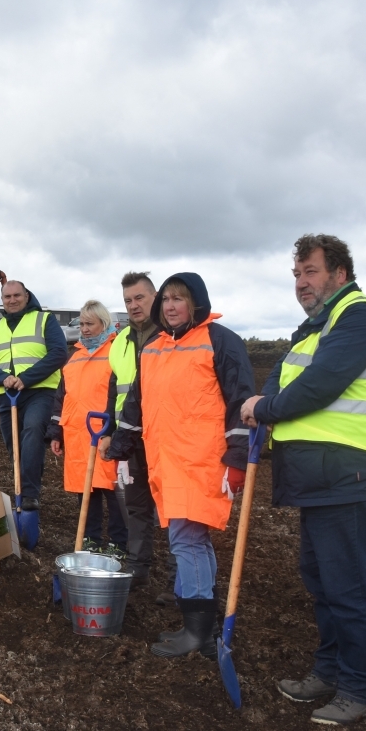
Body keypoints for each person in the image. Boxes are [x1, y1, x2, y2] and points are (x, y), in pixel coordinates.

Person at [240, 234, 366, 727]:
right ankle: (328, 671)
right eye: (296, 275)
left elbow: (319, 385)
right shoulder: (312, 327)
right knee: (322, 581)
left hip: (349, 473)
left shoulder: (361, 316)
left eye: (310, 271)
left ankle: (359, 688)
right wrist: (264, 401)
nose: (301, 283)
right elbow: (282, 378)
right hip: (320, 477)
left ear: (340, 274)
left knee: (348, 587)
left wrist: (263, 409)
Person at [108, 273, 255, 660]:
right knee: (194, 542)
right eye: (167, 300)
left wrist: (237, 459)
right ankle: (200, 629)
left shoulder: (220, 341)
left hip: (202, 461)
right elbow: (135, 404)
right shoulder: (154, 346)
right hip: (165, 461)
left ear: (196, 303)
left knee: (186, 541)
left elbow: (241, 401)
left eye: (179, 299)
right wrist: (122, 448)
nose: (171, 306)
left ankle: (197, 631)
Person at [0, 280, 69, 529]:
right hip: (6, 395)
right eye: (7, 297)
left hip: (39, 391)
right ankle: (25, 488)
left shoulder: (44, 320)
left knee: (33, 430)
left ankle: (29, 497)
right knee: (14, 445)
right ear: (2, 300)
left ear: (26, 296)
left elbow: (58, 353)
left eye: (17, 295)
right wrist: (3, 378)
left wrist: (25, 379)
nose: (12, 300)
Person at [48, 300, 126, 555]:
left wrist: (113, 431)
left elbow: (120, 394)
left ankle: (119, 542)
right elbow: (63, 398)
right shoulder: (75, 357)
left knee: (112, 491)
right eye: (81, 324)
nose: (85, 329)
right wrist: (57, 432)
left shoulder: (116, 353)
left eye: (90, 323)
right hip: (77, 435)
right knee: (85, 490)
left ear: (104, 324)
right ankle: (91, 538)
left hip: (104, 434)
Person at [102, 272, 163, 591]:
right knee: (136, 503)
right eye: (128, 300)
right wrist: (109, 431)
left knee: (171, 505)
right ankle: (138, 568)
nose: (134, 305)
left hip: (163, 432)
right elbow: (116, 388)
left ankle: (182, 577)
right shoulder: (122, 342)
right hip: (130, 434)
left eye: (140, 298)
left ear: (155, 297)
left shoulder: (169, 335)